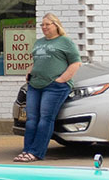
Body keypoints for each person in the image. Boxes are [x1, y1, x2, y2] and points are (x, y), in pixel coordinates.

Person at [18, 13, 81, 162]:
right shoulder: (39, 42)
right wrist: (29, 71)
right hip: (35, 85)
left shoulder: (65, 42)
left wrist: (61, 80)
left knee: (45, 119)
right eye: (42, 25)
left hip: (54, 87)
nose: (44, 27)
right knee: (31, 119)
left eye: (47, 24)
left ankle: (36, 152)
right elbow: (37, 61)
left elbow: (75, 63)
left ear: (56, 25)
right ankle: (26, 150)